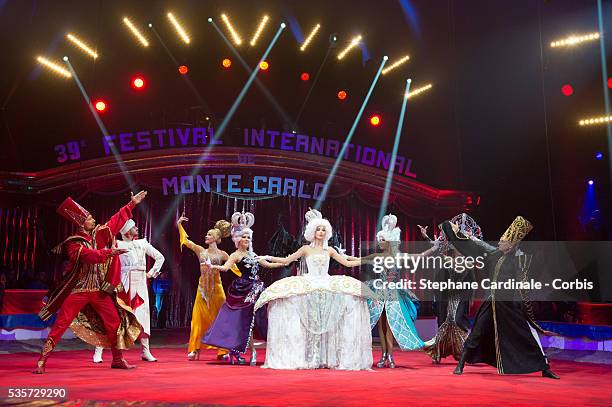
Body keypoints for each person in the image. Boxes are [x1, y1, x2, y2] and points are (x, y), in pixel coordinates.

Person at [34, 192, 147, 374]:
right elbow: (86, 256)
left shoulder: (98, 235)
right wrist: (106, 254)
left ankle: (117, 359)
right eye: (90, 218)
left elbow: (114, 222)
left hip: (98, 291)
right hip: (79, 289)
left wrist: (131, 204)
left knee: (114, 321)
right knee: (61, 323)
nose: (93, 220)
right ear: (81, 223)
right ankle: (42, 360)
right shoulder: (74, 243)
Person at [254, 208, 376, 370]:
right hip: (310, 282)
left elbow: (347, 263)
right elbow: (286, 261)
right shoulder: (306, 249)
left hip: (325, 282)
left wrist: (365, 259)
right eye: (318, 229)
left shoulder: (330, 250)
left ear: (327, 232)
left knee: (348, 299)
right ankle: (305, 356)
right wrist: (267, 258)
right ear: (312, 231)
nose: (320, 232)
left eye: (323, 229)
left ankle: (331, 357)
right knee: (296, 306)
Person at [443, 216, 560, 379]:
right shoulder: (494, 254)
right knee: (476, 333)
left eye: (503, 241)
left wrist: (528, 315)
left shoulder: (519, 261)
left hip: (508, 306)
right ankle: (460, 365)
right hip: (490, 303)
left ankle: (544, 368)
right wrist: (465, 234)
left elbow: (522, 287)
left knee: (525, 336)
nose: (499, 242)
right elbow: (480, 244)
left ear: (511, 245)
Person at [202, 211, 285, 365]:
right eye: (244, 237)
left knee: (255, 320)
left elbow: (268, 264)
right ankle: (241, 351)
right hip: (243, 289)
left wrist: (286, 262)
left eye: (249, 237)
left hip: (256, 288)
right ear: (238, 239)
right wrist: (212, 266)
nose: (246, 239)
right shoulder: (235, 255)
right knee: (243, 320)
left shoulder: (254, 255)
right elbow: (226, 268)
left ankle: (247, 351)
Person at [93, 219, 165, 363]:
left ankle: (145, 351)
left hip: (141, 283)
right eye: (134, 227)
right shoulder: (118, 244)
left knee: (143, 316)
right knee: (115, 317)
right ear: (126, 231)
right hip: (124, 282)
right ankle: (98, 350)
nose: (137, 229)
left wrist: (151, 274)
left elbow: (160, 257)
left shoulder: (143, 243)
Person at [364, 214, 426, 368]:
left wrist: (433, 245)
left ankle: (390, 355)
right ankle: (383, 355)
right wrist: (338, 253)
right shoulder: (377, 256)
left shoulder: (399, 257)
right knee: (381, 324)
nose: (379, 242)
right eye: (379, 240)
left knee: (390, 325)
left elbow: (420, 255)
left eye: (382, 240)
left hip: (393, 293)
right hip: (380, 292)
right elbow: (356, 260)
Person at [177, 213, 237, 361]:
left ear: (216, 238)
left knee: (221, 319)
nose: (206, 236)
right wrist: (179, 225)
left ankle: (223, 351)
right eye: (206, 234)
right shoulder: (200, 250)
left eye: (209, 235)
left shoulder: (223, 254)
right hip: (202, 290)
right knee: (197, 319)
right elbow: (186, 241)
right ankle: (195, 350)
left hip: (217, 290)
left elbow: (234, 266)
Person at [421, 213, 478, 364]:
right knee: (444, 320)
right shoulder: (447, 258)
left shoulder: (470, 259)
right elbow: (436, 247)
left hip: (461, 292)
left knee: (459, 320)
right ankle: (438, 352)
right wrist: (426, 237)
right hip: (446, 290)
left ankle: (462, 352)